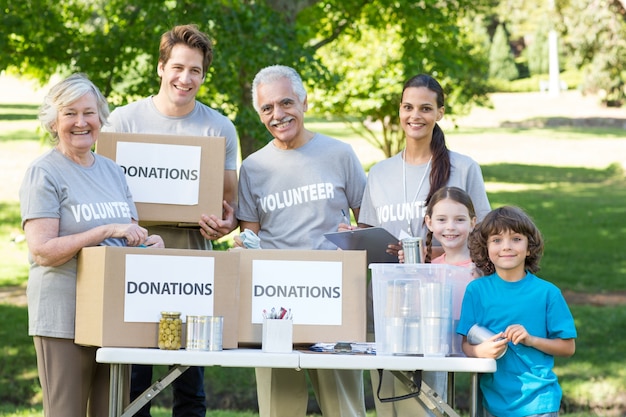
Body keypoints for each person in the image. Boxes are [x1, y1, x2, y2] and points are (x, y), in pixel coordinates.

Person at [102, 24, 239, 417]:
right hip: (134, 262)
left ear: (203, 75)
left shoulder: (219, 128)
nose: (185, 78)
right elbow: (105, 196)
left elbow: (228, 207)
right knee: (133, 382)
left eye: (195, 70)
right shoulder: (123, 123)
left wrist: (224, 225)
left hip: (191, 264)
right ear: (161, 67)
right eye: (178, 67)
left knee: (190, 384)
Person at [19, 73, 164, 417]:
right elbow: (42, 251)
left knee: (111, 411)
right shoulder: (45, 172)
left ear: (101, 117)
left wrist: (148, 244)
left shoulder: (113, 171)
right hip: (63, 315)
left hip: (113, 316)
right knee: (66, 411)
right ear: (53, 122)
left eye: (89, 112)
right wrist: (100, 232)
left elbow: (126, 235)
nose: (81, 122)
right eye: (70, 113)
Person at [236, 65, 367, 417]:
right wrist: (242, 247)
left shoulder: (340, 154)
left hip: (333, 296)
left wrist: (354, 238)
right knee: (280, 407)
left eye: (286, 103)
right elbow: (250, 239)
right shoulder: (252, 167)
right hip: (275, 302)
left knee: (345, 406)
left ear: (305, 103)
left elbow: (367, 224)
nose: (278, 115)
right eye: (267, 108)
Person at [357, 74, 491, 416]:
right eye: (407, 107)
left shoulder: (463, 168)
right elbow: (369, 231)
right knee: (388, 401)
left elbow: (483, 236)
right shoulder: (380, 172)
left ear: (440, 113)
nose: (414, 115)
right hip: (389, 302)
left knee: (431, 402)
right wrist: (356, 236)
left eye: (425, 108)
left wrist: (431, 255)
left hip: (440, 302)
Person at [457, 206, 577, 417]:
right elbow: (466, 344)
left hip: (538, 403)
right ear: (486, 248)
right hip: (491, 401)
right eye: (496, 240)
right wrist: (479, 352)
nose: (506, 247)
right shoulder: (476, 291)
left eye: (516, 239)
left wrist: (531, 340)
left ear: (529, 248)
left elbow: (568, 347)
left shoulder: (548, 293)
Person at [398, 186, 477, 268]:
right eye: (442, 219)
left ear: (472, 223)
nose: (450, 227)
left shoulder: (483, 267)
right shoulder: (432, 269)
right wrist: (418, 269)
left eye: (460, 220)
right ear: (429, 223)